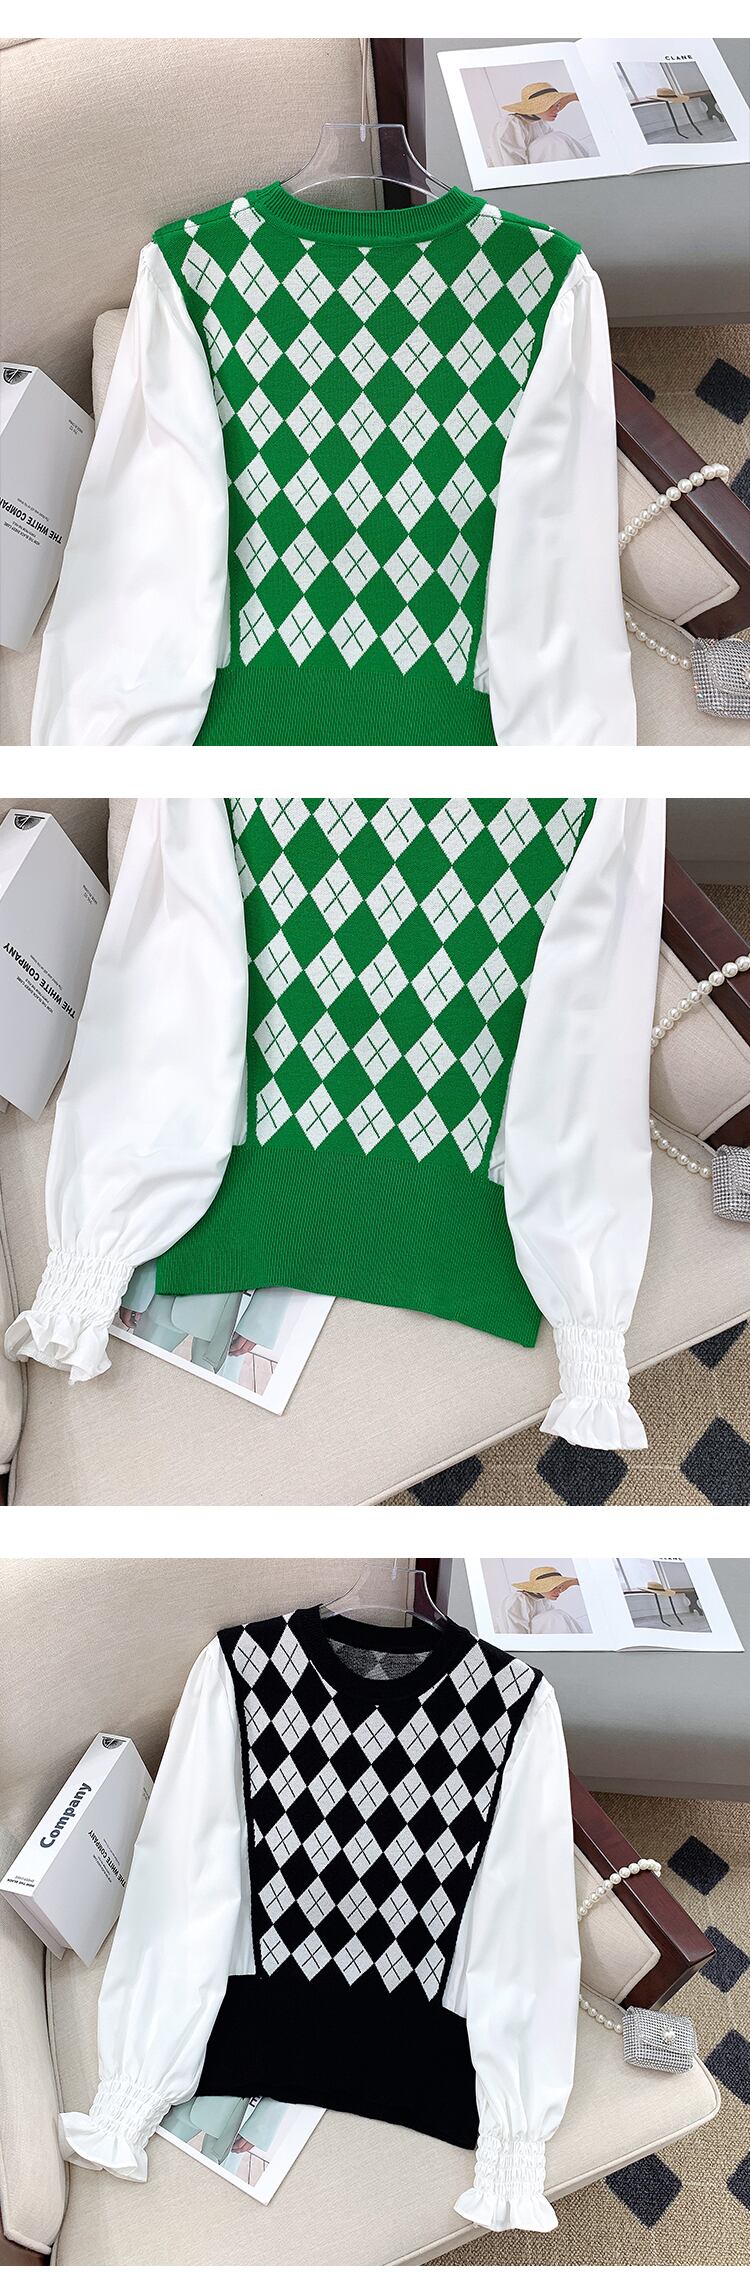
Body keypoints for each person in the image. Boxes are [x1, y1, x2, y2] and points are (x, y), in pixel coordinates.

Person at [493, 81, 592, 168]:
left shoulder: (541, 123)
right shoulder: (511, 124)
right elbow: (509, 162)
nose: (557, 109)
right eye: (550, 105)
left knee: (558, 138)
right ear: (534, 107)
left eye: (557, 105)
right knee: (555, 139)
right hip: (524, 175)